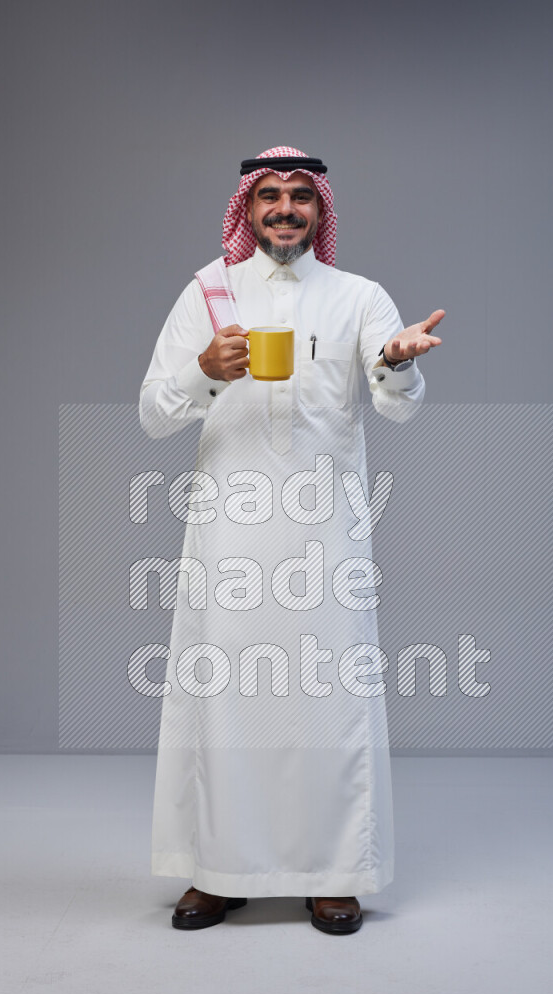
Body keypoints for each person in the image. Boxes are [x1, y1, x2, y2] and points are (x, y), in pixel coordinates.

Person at [138, 146, 444, 934]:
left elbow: (399, 403)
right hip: (230, 538)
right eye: (269, 194)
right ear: (247, 208)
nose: (284, 208)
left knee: (326, 702)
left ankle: (333, 873)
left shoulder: (357, 297)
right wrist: (204, 369)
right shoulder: (209, 292)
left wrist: (397, 361)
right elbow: (153, 412)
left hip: (323, 538)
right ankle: (218, 870)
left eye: (300, 196)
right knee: (225, 702)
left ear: (320, 210)